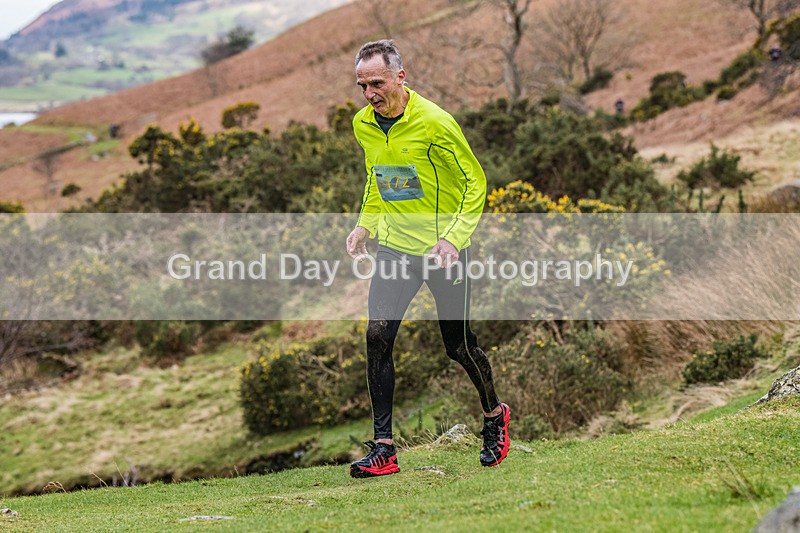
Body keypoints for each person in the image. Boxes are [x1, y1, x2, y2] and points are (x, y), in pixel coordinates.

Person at [345, 39, 510, 478]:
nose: (369, 94)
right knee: (377, 336)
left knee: (458, 346)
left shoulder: (436, 122)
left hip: (443, 253)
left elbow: (475, 183)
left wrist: (454, 239)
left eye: (377, 83)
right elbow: (377, 180)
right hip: (395, 249)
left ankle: (495, 417)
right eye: (362, 86)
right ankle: (384, 448)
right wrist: (365, 225)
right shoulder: (363, 125)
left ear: (400, 77)